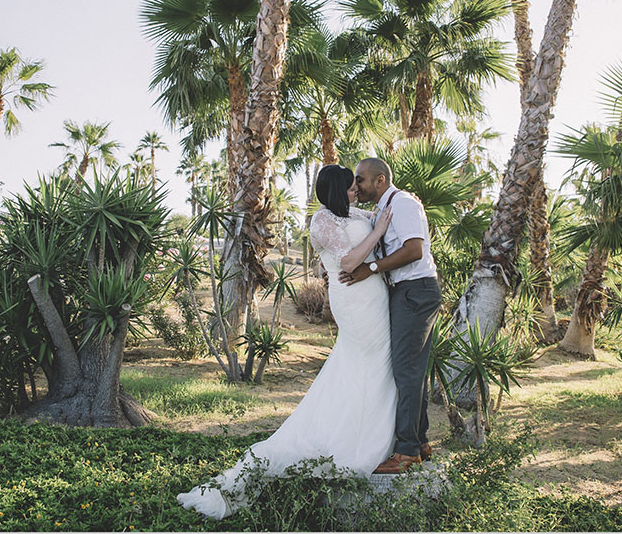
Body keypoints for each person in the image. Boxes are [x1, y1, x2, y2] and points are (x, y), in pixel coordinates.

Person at [177, 165, 397, 519]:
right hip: (354, 301)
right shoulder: (322, 221)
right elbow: (349, 260)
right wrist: (381, 230)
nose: (356, 188)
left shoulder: (355, 213)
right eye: (351, 185)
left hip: (375, 298)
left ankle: (369, 428)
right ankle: (357, 439)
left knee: (371, 364)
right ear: (337, 190)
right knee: (363, 361)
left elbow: (379, 225)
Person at [339, 157, 442, 474]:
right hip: (407, 291)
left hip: (415, 291)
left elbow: (414, 250)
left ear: (380, 180)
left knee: (405, 370)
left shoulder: (404, 204)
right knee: (413, 370)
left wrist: (371, 269)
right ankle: (420, 441)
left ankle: (407, 450)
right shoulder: (384, 209)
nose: (356, 186)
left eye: (361, 180)